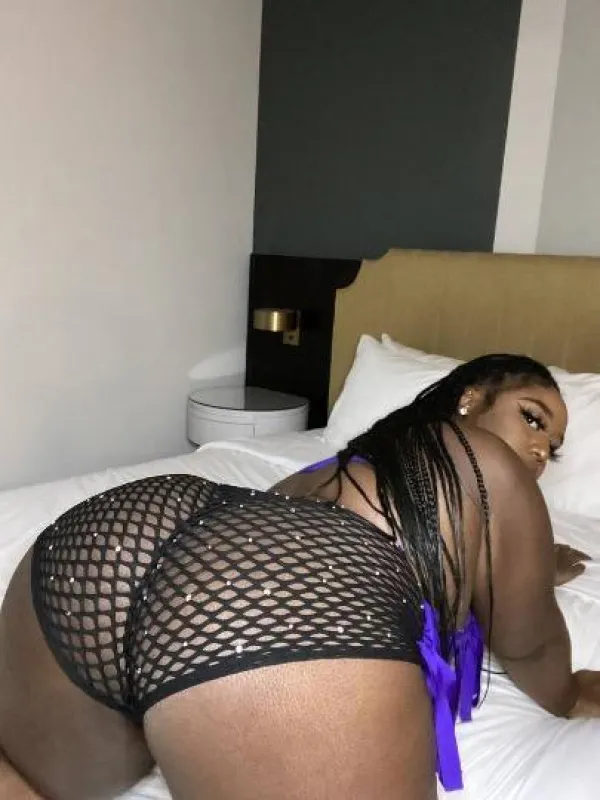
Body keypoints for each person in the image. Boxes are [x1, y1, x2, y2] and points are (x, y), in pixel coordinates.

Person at [1, 353, 599, 800]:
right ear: (470, 399)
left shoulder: (326, 469)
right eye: (532, 418)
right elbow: (531, 647)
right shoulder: (483, 462)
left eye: (555, 447)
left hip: (120, 540)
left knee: (26, 781)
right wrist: (570, 692)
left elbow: (254, 558)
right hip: (269, 614)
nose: (541, 449)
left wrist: (527, 567)